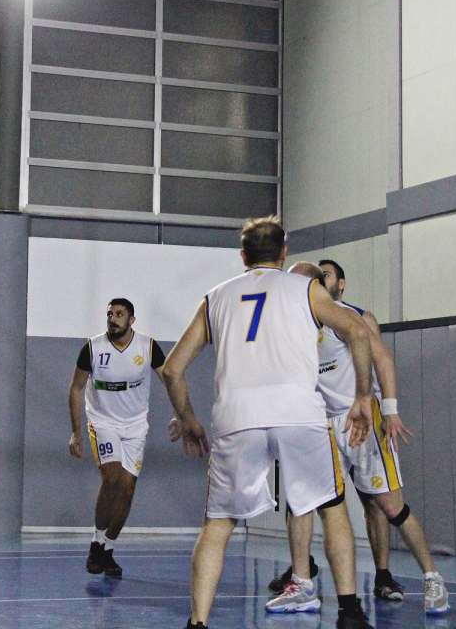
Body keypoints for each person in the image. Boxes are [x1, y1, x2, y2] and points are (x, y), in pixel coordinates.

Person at [161, 216, 377, 629]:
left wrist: (188, 419)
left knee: (217, 525)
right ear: (284, 253)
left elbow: (172, 369)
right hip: (298, 413)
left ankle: (198, 622)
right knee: (331, 509)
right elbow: (358, 332)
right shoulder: (306, 288)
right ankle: (350, 613)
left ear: (243, 256)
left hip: (237, 416)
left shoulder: (215, 297)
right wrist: (363, 397)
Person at [273, 260, 448, 615]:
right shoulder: (291, 325)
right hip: (320, 425)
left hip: (361, 418)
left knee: (390, 506)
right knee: (302, 502)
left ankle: (432, 577)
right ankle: (302, 581)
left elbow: (382, 359)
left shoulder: (347, 317)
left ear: (316, 286)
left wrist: (390, 408)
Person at [68, 298, 166, 578]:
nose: (113, 318)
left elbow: (171, 377)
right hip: (103, 422)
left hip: (135, 426)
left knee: (127, 489)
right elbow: (76, 389)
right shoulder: (92, 348)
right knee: (111, 478)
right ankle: (96, 543)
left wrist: (182, 415)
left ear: (131, 320)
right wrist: (76, 431)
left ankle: (108, 549)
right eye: (110, 314)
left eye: (120, 314)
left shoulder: (147, 346)